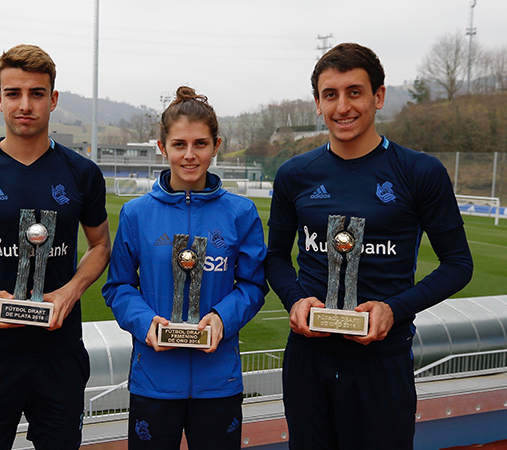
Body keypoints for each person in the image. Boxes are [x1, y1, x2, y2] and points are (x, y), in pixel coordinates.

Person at [265, 42, 474, 450]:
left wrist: (393, 309)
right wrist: (294, 300)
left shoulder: (419, 171)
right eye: (331, 95)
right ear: (318, 103)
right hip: (309, 359)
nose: (342, 106)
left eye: (354, 92)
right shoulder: (294, 174)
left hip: (383, 359)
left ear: (378, 97)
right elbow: (275, 257)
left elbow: (457, 263)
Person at [0, 44, 111, 450]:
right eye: (14, 93)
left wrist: (70, 292)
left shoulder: (83, 173)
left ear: (53, 100)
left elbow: (99, 246)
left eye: (37, 94)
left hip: (59, 352)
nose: (25, 104)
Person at [102, 86, 267, 449]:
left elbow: (254, 285)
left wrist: (222, 318)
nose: (190, 156)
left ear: (216, 145)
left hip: (218, 381)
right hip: (154, 380)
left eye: (200, 144)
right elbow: (118, 287)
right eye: (179, 145)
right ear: (163, 147)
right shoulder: (136, 213)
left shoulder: (240, 213)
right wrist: (146, 324)